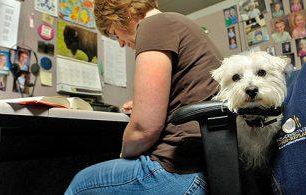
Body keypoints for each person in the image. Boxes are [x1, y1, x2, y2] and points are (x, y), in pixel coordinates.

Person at [65, 0, 222, 194]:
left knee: (78, 186)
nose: (121, 44)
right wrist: (143, 105)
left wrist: (123, 154)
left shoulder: (153, 25)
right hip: (209, 167)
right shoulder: (178, 23)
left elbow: (144, 128)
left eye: (114, 34)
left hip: (180, 171)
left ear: (123, 15)